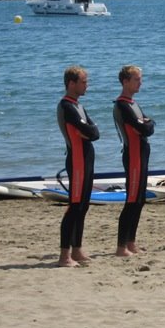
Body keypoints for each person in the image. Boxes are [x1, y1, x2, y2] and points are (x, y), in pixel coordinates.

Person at [56, 66, 100, 267]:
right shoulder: (66, 106)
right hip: (77, 160)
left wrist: (88, 130)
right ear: (71, 83)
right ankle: (64, 256)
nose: (86, 85)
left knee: (83, 206)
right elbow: (87, 130)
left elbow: (94, 133)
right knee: (74, 207)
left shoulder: (78, 106)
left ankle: (77, 249)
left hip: (87, 158)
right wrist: (88, 131)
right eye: (83, 82)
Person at [114, 65, 155, 257]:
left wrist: (146, 123)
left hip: (143, 154)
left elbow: (150, 125)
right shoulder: (122, 105)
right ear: (125, 81)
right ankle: (121, 246)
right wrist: (146, 124)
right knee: (131, 200)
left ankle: (131, 242)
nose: (141, 83)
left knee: (140, 200)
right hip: (133, 155)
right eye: (137, 79)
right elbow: (145, 128)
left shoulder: (133, 103)